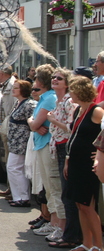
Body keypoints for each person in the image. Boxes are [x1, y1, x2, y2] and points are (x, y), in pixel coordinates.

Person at [63, 76, 103, 251]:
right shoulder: (79, 110)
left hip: (87, 165)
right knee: (79, 204)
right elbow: (73, 136)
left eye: (72, 89)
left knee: (88, 205)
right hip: (75, 163)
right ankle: (87, 243)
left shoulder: (96, 111)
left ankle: (99, 246)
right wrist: (67, 160)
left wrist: (100, 152)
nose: (70, 92)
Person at [27, 64, 65, 239]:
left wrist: (35, 123)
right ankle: (53, 222)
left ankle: (58, 225)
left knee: (53, 186)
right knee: (48, 187)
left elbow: (34, 124)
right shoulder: (45, 97)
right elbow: (33, 122)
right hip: (41, 144)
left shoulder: (49, 98)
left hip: (48, 146)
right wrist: (34, 122)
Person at [46, 68, 82, 247]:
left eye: (59, 78)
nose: (54, 80)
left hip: (65, 149)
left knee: (67, 193)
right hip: (57, 147)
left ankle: (71, 236)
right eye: (53, 77)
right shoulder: (59, 101)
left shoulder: (69, 102)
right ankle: (67, 233)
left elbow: (71, 128)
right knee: (61, 191)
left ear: (67, 83)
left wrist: (53, 121)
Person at [4, 80, 36, 208]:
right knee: (16, 169)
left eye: (16, 88)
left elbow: (34, 119)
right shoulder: (18, 103)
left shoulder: (29, 104)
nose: (13, 90)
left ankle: (22, 197)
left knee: (14, 168)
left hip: (22, 142)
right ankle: (18, 196)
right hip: (14, 142)